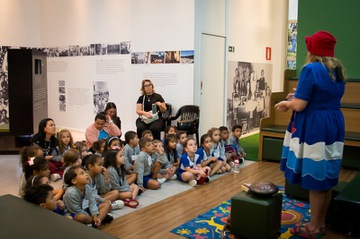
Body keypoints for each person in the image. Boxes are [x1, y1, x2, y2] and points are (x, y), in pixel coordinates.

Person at [275, 30, 347, 238]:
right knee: (327, 177)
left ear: (312, 50)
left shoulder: (311, 68)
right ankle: (321, 224)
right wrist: (297, 94)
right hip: (333, 123)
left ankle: (312, 228)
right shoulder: (337, 69)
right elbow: (323, 94)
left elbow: (299, 105)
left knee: (315, 177)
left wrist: (286, 103)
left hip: (315, 126)